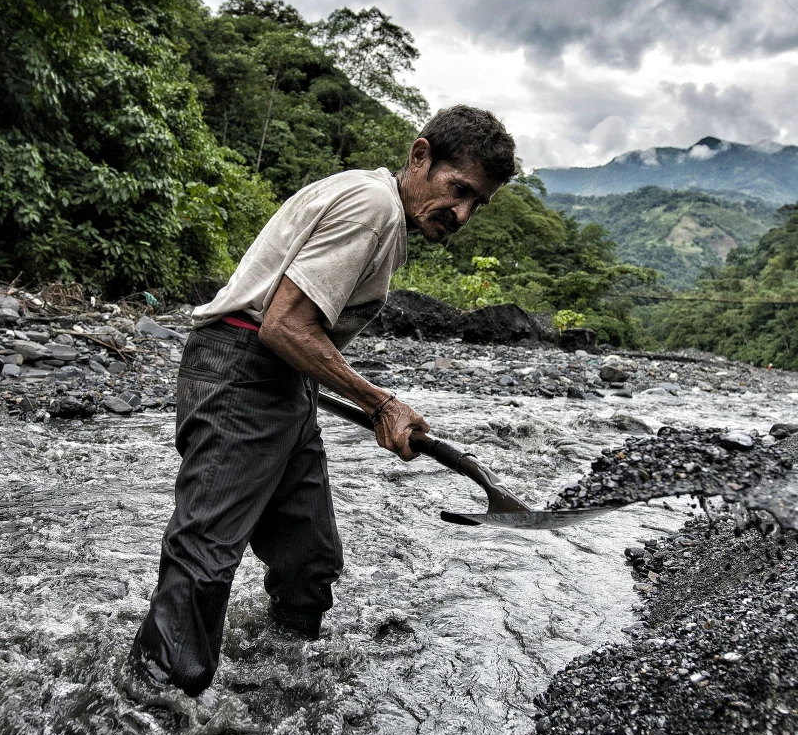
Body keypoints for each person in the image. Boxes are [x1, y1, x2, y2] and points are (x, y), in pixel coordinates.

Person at [126, 105, 517, 702]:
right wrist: (381, 403)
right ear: (419, 157)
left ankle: (284, 682)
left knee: (308, 556)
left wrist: (325, 391)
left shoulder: (378, 207)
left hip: (282, 381)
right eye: (458, 189)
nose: (462, 213)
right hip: (243, 370)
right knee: (205, 556)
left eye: (477, 204)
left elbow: (295, 333)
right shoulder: (374, 207)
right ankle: (153, 706)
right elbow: (284, 326)